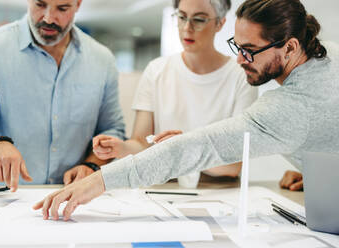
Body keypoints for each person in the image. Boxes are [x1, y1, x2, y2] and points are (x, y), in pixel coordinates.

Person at [34, 0, 339, 221]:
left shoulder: (292, 107)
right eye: (237, 47)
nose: (239, 60)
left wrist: (99, 182)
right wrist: (319, 165)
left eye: (249, 51)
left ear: (291, 47)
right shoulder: (330, 54)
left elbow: (201, 148)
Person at [0, 0, 125, 192]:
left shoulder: (102, 59)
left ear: (78, 4)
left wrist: (91, 165)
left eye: (62, 8)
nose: (48, 18)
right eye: (40, 5)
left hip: (69, 199)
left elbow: (112, 130)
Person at [92, 0, 257, 187]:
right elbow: (142, 143)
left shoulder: (241, 77)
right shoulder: (157, 70)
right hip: (164, 185)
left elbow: (234, 164)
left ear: (220, 23)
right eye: (181, 17)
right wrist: (120, 148)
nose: (187, 27)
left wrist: (183, 147)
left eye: (199, 19)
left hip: (219, 190)